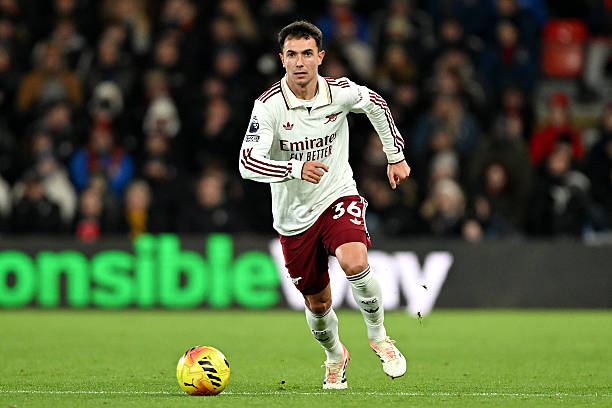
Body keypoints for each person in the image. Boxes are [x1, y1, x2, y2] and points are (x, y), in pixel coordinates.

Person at [238, 21, 411, 389]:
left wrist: (394, 154)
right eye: (292, 55)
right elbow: (247, 163)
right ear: (282, 60)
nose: (300, 62)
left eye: (307, 54)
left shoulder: (340, 92)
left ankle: (379, 336)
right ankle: (335, 356)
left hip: (337, 194)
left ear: (320, 57)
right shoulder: (268, 107)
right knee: (318, 304)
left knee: (355, 261)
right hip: (293, 217)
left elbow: (376, 104)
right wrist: (295, 168)